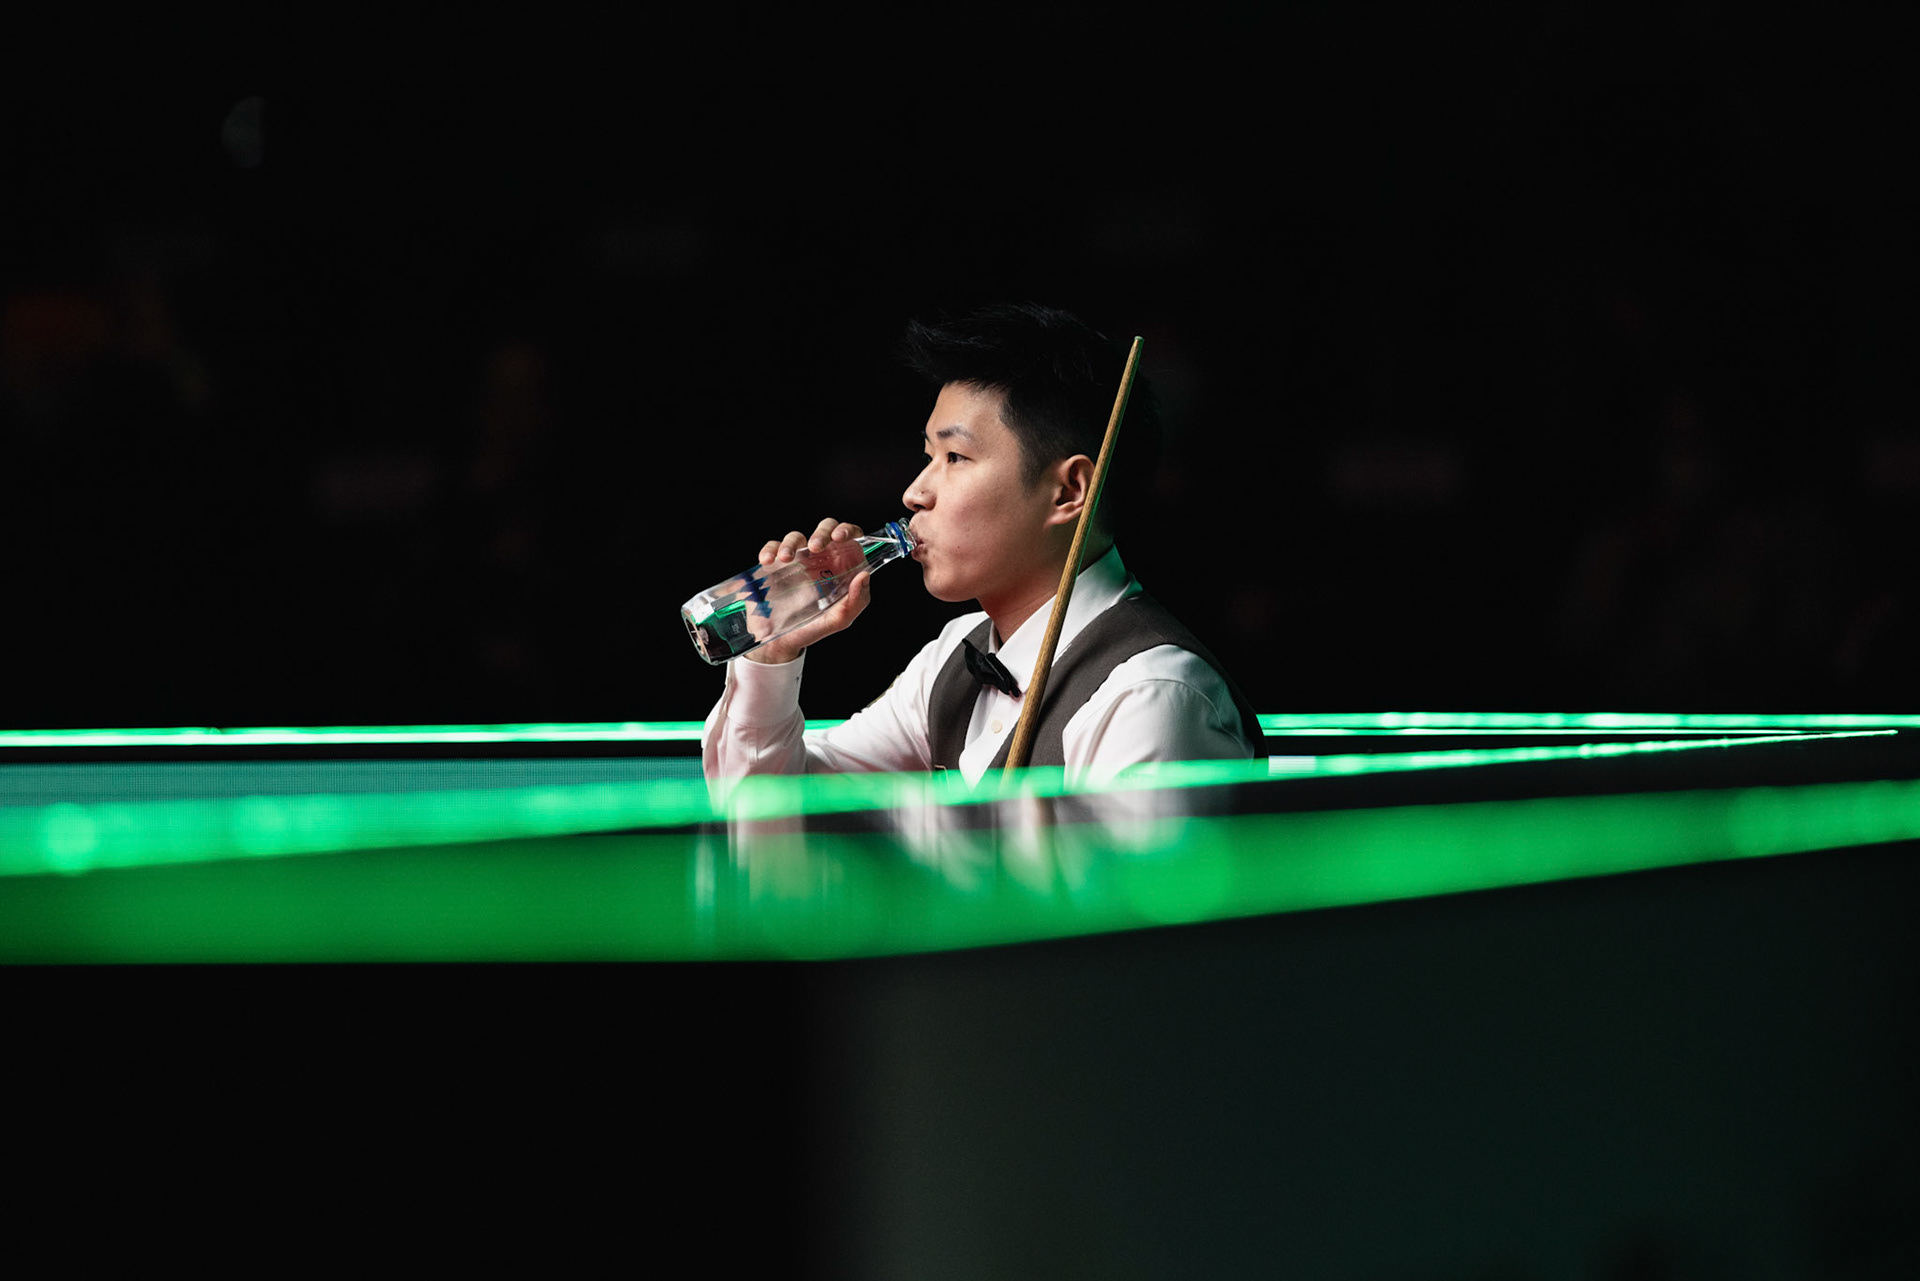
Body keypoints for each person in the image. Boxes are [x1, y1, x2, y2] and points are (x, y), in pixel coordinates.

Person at [701, 302, 1263, 792]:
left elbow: (1136, 914)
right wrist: (772, 657)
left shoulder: (1151, 697)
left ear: (1070, 491)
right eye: (928, 456)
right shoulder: (954, 654)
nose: (914, 492)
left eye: (955, 458)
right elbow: (773, 816)